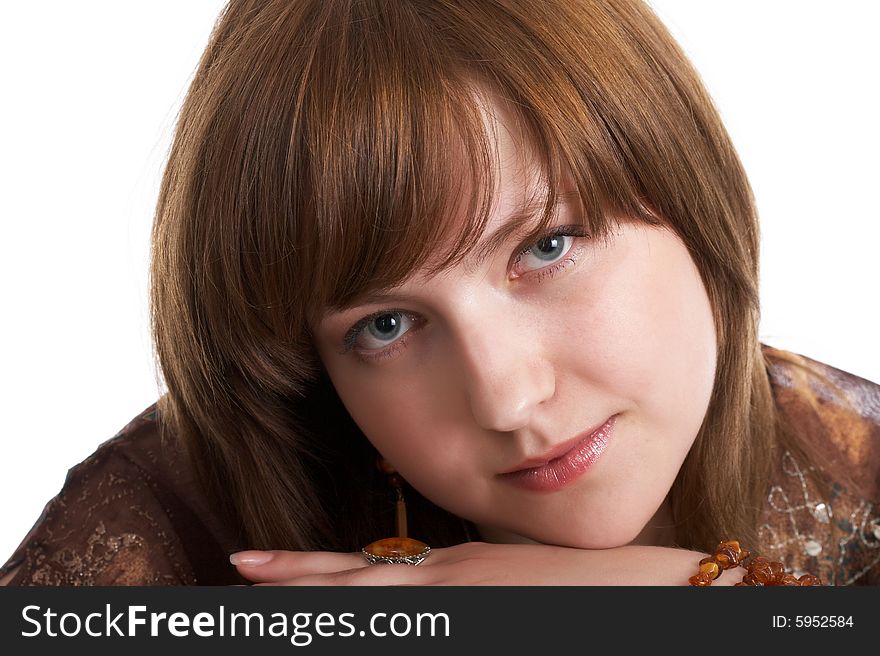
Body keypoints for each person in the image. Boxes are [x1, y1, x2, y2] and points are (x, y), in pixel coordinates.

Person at [2, 0, 878, 587]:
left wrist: (691, 600)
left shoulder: (857, 470)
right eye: (385, 325)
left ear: (689, 193)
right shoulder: (157, 525)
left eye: (547, 247)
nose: (506, 398)